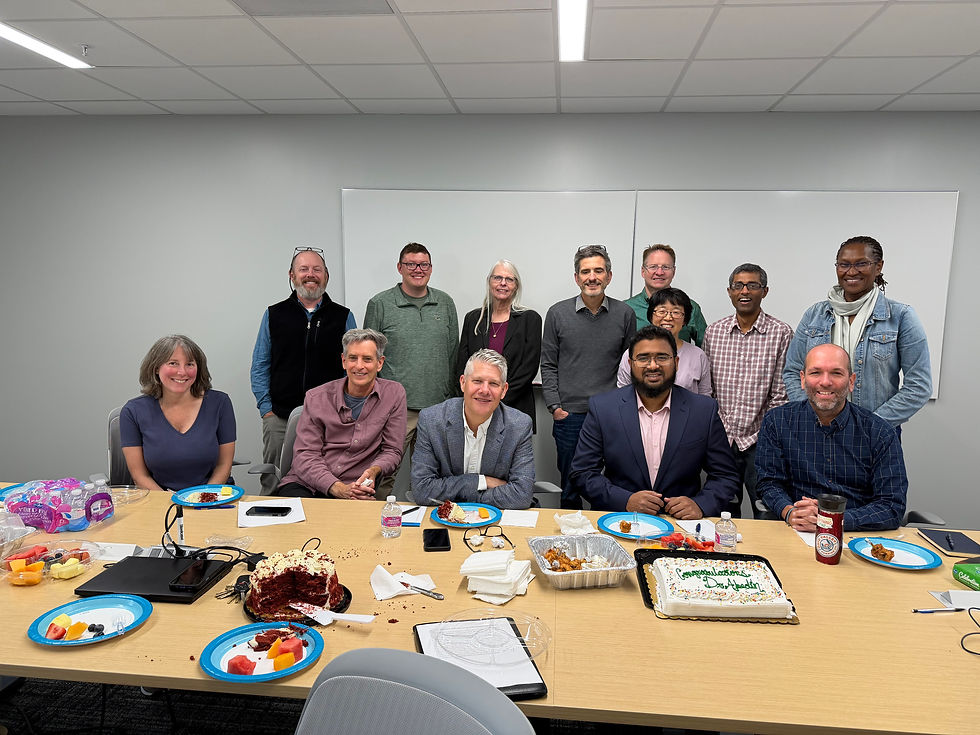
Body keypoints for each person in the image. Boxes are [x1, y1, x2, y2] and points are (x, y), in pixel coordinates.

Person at [570, 326, 739, 519]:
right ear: (630, 364)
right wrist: (625, 500)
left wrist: (700, 505)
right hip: (619, 520)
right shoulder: (603, 408)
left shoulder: (703, 410)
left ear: (676, 362)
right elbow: (582, 473)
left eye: (662, 357)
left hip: (680, 527)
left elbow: (725, 476)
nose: (653, 365)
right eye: (643, 358)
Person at [782, 235, 931, 429]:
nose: (851, 271)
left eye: (861, 263)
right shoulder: (814, 315)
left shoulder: (901, 317)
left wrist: (870, 426)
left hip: (875, 435)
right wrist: (813, 417)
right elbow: (793, 371)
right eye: (843, 264)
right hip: (817, 429)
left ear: (878, 267)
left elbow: (919, 386)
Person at [758, 344, 908, 531]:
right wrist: (789, 512)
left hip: (856, 535)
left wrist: (833, 520)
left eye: (836, 373)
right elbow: (769, 483)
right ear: (803, 380)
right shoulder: (777, 422)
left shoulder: (880, 432)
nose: (825, 382)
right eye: (816, 373)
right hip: (797, 529)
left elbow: (891, 506)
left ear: (851, 381)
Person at [251, 247, 356, 494]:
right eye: (304, 269)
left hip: (328, 420)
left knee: (324, 482)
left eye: (317, 269)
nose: (311, 275)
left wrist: (344, 411)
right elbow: (260, 364)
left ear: (326, 276)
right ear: (292, 275)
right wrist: (267, 410)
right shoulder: (274, 314)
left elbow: (351, 368)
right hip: (280, 416)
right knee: (275, 481)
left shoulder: (343, 317)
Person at [541, 244, 636, 509]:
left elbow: (630, 365)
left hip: (612, 415)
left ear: (609, 276)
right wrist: (555, 407)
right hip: (570, 415)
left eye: (598, 270)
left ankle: (603, 542)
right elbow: (548, 363)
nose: (591, 277)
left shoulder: (624, 314)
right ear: (576, 277)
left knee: (608, 489)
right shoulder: (557, 313)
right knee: (570, 487)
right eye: (585, 272)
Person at [703, 264, 794, 518]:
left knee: (765, 512)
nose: (744, 291)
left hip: (760, 441)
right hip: (721, 438)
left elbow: (781, 393)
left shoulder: (781, 332)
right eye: (738, 286)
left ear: (764, 291)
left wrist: (767, 434)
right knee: (722, 513)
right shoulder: (714, 332)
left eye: (752, 285)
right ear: (729, 292)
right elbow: (708, 389)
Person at [364, 242, 459, 485]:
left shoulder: (445, 303)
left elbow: (453, 354)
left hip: (437, 409)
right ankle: (374, 520)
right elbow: (368, 357)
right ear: (400, 267)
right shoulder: (380, 304)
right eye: (411, 264)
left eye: (423, 264)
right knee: (381, 476)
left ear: (430, 268)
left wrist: (450, 399)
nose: (418, 269)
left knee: (432, 480)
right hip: (395, 409)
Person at [276, 329, 407, 499]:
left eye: (367, 359)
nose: (359, 366)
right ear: (344, 361)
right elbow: (306, 455)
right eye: (353, 358)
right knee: (298, 523)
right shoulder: (316, 397)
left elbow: (392, 450)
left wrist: (374, 471)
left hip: (356, 488)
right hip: (306, 484)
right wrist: (336, 488)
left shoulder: (394, 394)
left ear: (379, 363)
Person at [412, 349, 535, 509]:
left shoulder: (519, 426)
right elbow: (422, 490)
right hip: (444, 520)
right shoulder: (431, 420)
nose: (484, 390)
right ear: (463, 383)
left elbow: (522, 495)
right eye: (477, 381)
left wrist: (459, 494)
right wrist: (481, 481)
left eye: (493, 383)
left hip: (495, 522)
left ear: (503, 390)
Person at [121, 335, 236, 492]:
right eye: (173, 363)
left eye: (189, 364)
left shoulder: (220, 403)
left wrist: (202, 499)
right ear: (156, 368)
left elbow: (224, 465)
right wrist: (172, 504)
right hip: (161, 501)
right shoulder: (132, 412)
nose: (182, 372)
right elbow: (140, 476)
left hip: (213, 497)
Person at [455, 260, 542, 430]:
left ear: (516, 286)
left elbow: (528, 370)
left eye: (509, 279)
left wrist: (495, 400)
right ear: (489, 282)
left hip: (515, 409)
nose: (503, 283)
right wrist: (477, 400)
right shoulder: (473, 319)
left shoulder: (530, 319)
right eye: (498, 278)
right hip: (476, 408)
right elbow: (462, 365)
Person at [616, 287, 710, 396]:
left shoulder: (698, 356)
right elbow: (623, 395)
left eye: (676, 312)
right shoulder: (632, 353)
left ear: (685, 319)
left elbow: (705, 397)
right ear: (651, 316)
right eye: (662, 311)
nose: (668, 317)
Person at [626, 243, 708, 346]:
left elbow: (706, 349)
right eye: (653, 267)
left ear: (673, 272)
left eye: (666, 267)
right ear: (643, 271)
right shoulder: (627, 309)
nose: (659, 272)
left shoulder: (690, 307)